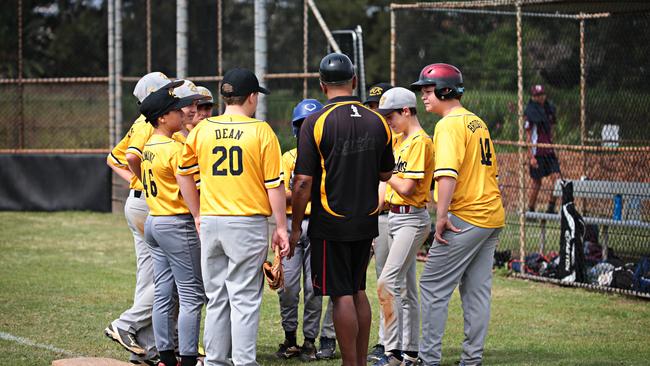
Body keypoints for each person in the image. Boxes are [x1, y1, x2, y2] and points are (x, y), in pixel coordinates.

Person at [176, 67, 289, 366]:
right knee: (244, 299)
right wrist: (281, 226)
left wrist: (197, 214)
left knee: (216, 298)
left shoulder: (201, 129)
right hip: (246, 222)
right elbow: (274, 184)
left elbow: (183, 173)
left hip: (212, 221)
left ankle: (214, 362)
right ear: (252, 97)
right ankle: (243, 362)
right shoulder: (261, 131)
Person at [290, 53, 394, 366]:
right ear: (354, 81)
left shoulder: (316, 122)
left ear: (322, 85)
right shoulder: (378, 121)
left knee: (341, 294)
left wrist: (295, 226)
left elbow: (303, 182)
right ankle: (359, 360)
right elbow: (386, 174)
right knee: (357, 288)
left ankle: (351, 363)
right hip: (366, 220)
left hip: (330, 221)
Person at [412, 63, 505, 366]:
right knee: (476, 292)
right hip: (490, 216)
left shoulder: (448, 125)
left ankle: (428, 360)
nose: (423, 96)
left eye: (427, 90)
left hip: (465, 216)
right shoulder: (476, 121)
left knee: (432, 286)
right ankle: (471, 360)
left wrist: (440, 217)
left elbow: (447, 175)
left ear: (445, 90)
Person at [104, 72, 183, 366]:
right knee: (167, 279)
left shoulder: (149, 121)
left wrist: (141, 181)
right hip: (148, 204)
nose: (172, 96)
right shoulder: (146, 123)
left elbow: (113, 158)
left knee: (148, 278)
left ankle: (147, 349)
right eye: (166, 91)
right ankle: (126, 324)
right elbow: (130, 157)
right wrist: (145, 181)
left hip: (142, 203)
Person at [139, 87, 206, 366]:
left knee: (165, 292)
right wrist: (199, 214)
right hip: (176, 222)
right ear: (162, 118)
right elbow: (188, 183)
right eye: (175, 110)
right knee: (192, 295)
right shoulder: (175, 147)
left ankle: (166, 356)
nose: (182, 113)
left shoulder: (149, 145)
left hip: (154, 221)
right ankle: (189, 359)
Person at [373, 87, 434, 366]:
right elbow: (386, 186)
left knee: (387, 283)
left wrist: (385, 172)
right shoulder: (399, 140)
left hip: (412, 218)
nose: (388, 121)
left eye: (391, 115)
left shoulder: (420, 141)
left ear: (406, 111)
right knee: (407, 290)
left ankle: (392, 352)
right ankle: (411, 352)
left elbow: (408, 187)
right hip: (394, 217)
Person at [275, 99, 326, 362]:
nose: (305, 127)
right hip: (291, 223)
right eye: (301, 124)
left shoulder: (327, 158)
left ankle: (309, 341)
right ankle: (289, 338)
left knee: (314, 288)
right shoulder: (288, 157)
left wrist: (298, 192)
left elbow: (295, 192)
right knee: (288, 288)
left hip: (318, 225)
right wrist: (304, 193)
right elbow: (280, 193)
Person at [363, 82, 395, 363]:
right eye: (371, 107)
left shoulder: (396, 138)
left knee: (388, 283)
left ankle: (388, 343)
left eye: (380, 109)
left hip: (384, 216)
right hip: (370, 215)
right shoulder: (369, 137)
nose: (375, 113)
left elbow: (385, 185)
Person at [525, 84, 560, 213]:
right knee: (537, 183)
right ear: (533, 97)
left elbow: (552, 131)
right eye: (537, 95)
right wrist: (531, 157)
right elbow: (528, 136)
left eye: (542, 95)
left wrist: (554, 146)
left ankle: (551, 207)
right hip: (537, 151)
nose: (540, 97)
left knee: (557, 179)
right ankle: (530, 209)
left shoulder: (549, 109)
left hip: (549, 151)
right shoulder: (530, 112)